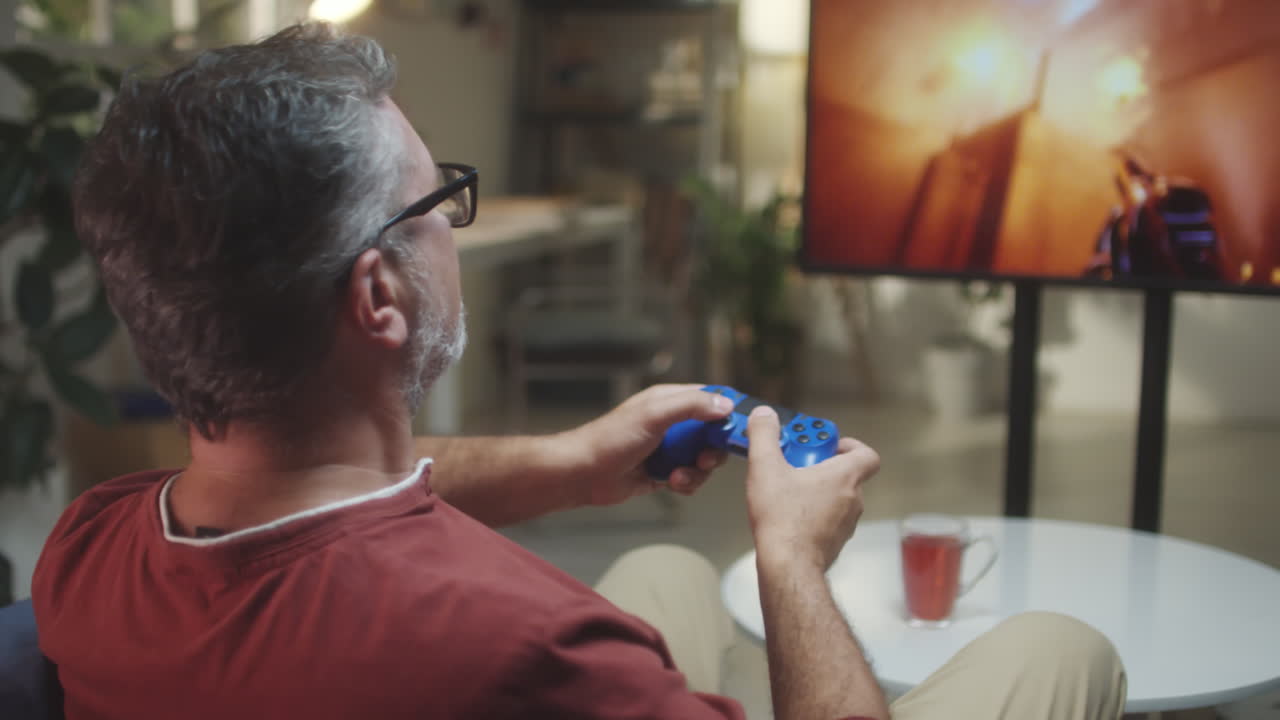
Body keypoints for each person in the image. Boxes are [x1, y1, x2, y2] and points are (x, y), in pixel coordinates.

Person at [32, 23, 1126, 720]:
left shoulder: (89, 546)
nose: (452, 225)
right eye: (438, 201)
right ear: (378, 295)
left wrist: (569, 463)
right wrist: (792, 560)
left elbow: (310, 500)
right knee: (1056, 646)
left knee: (669, 578)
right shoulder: (527, 650)